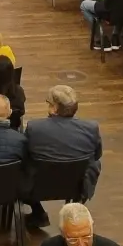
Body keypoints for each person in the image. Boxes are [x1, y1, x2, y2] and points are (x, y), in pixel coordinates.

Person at [25, 85, 104, 220]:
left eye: (49, 104)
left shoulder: (35, 128)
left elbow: (25, 155)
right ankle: (77, 204)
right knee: (94, 163)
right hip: (76, 185)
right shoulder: (91, 128)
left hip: (38, 188)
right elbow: (97, 155)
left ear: (55, 109)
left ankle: (38, 212)